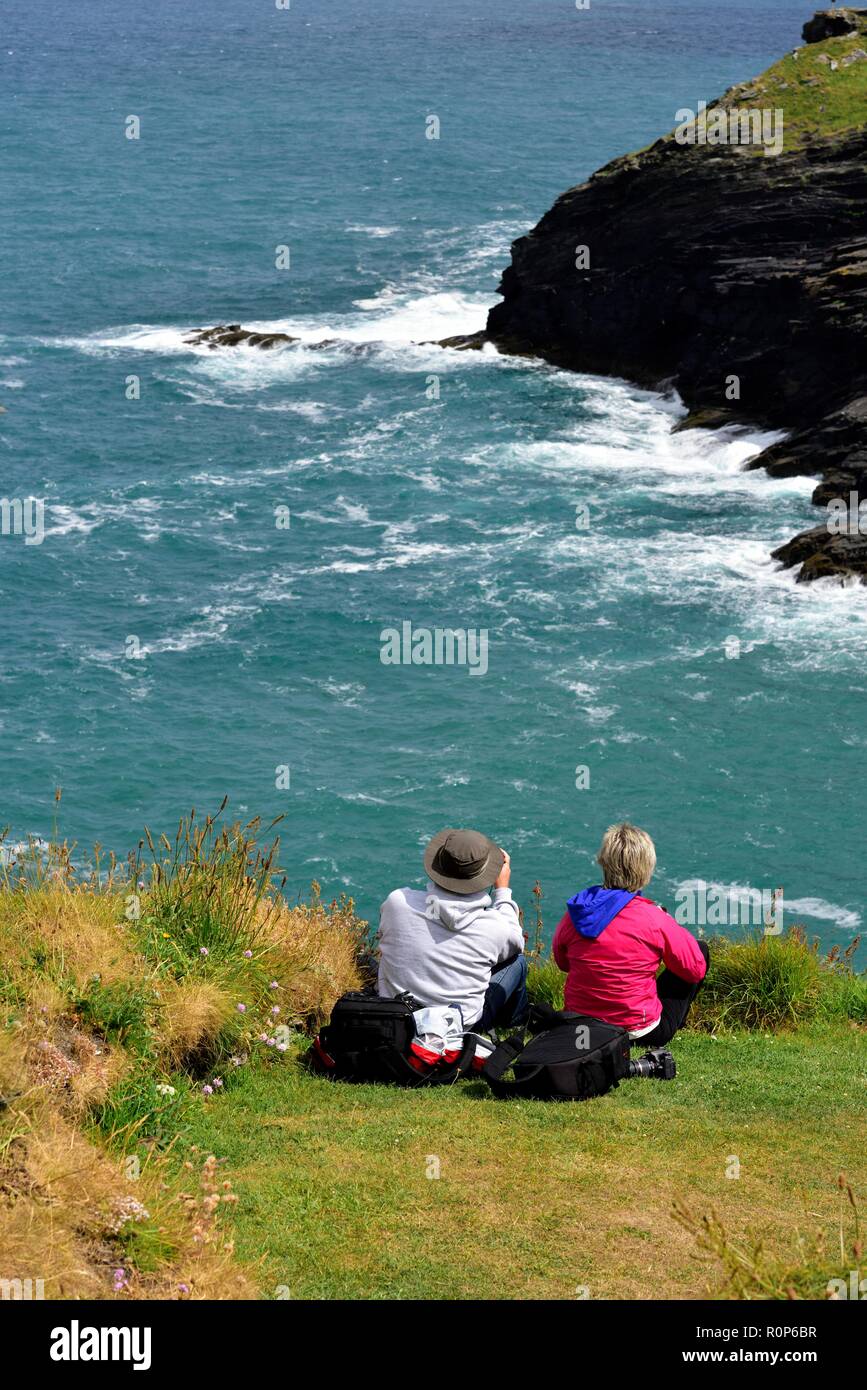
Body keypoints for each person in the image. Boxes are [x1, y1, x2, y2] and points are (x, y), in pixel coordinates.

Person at [552, 823, 708, 1045]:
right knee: (699, 951)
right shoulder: (653, 917)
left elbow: (563, 963)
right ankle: (672, 1023)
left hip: (580, 1028)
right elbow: (695, 969)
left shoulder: (577, 913)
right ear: (645, 869)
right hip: (639, 1033)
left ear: (604, 863)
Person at [377, 828, 528, 1034]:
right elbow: (517, 940)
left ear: (437, 866)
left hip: (397, 1017)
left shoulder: (398, 903)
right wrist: (502, 891)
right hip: (456, 1030)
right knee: (517, 962)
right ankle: (514, 1025)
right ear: (485, 876)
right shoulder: (495, 927)